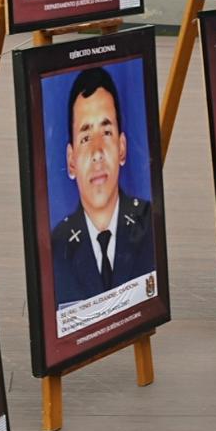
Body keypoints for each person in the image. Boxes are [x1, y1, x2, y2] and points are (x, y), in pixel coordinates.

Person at [51, 67, 155, 305]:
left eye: (106, 132)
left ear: (122, 147)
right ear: (71, 161)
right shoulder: (55, 251)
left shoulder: (151, 226)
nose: (97, 152)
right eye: (85, 138)